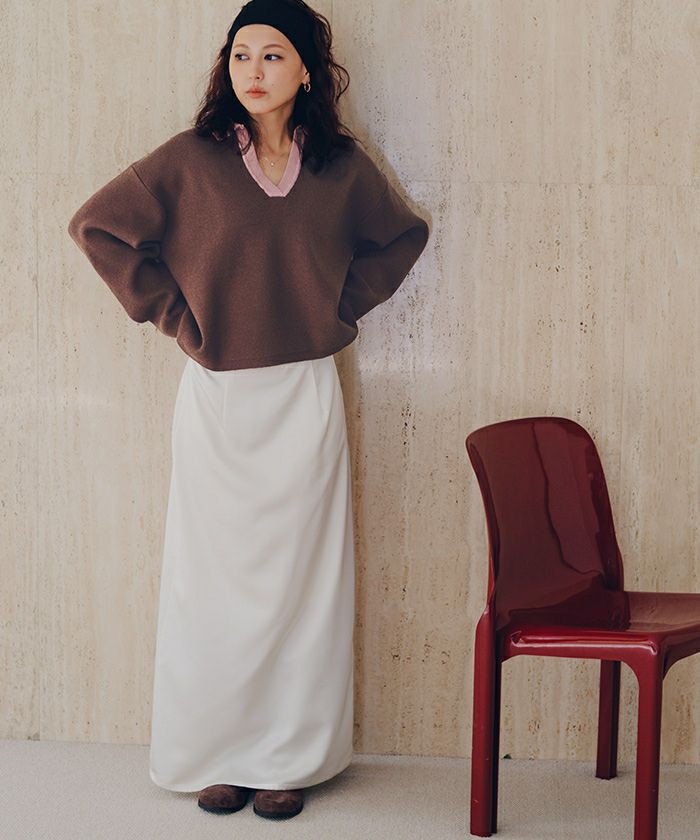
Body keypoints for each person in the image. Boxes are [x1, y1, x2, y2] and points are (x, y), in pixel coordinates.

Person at [67, 0, 430, 822]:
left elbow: (401, 238)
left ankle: (286, 761)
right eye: (240, 55)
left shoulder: (340, 169)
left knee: (304, 587)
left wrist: (336, 310)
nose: (253, 71)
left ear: (306, 70)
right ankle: (216, 754)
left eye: (272, 55)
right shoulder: (190, 161)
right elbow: (98, 228)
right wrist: (177, 317)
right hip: (219, 400)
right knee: (212, 585)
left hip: (305, 396)